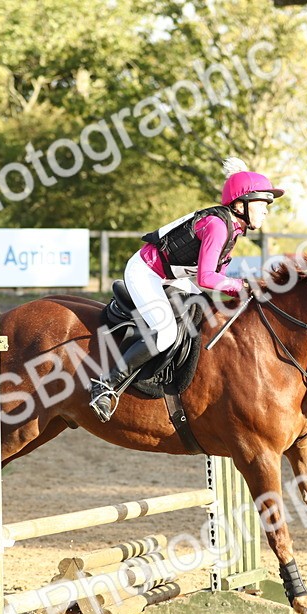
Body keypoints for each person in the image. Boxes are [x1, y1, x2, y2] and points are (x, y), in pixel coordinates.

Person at [88, 157, 284, 422]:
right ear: (241, 204)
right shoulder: (217, 225)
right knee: (166, 332)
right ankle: (106, 384)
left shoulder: (232, 229)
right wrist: (242, 286)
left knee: (200, 310)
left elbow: (217, 277)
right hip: (146, 272)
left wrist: (243, 292)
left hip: (170, 275)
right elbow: (206, 278)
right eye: (262, 204)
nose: (266, 211)